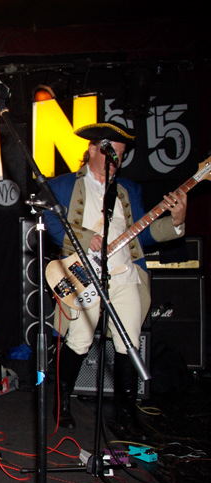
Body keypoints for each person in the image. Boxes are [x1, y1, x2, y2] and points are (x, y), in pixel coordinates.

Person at [45, 121, 187, 438]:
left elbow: (143, 234)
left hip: (125, 274)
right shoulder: (64, 185)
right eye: (111, 152)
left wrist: (176, 222)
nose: (116, 159)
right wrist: (86, 237)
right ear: (92, 149)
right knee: (79, 341)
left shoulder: (128, 190)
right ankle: (61, 403)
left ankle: (125, 414)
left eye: (121, 154)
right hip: (86, 275)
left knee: (129, 344)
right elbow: (51, 223)